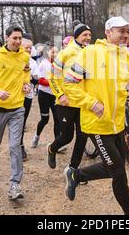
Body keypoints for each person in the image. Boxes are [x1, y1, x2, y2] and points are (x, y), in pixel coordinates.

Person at [62, 16, 129, 215]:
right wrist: (91, 103)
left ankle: (76, 175)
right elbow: (69, 84)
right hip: (96, 123)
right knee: (118, 171)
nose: (126, 35)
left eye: (128, 31)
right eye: (121, 31)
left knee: (113, 168)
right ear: (108, 32)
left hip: (118, 124)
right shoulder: (89, 53)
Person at [0, 26, 31, 200]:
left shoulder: (25, 56)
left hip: (18, 107)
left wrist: (26, 84)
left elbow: (27, 73)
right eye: (14, 38)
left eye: (20, 38)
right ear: (7, 38)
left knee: (14, 146)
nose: (18, 41)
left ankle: (15, 185)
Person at [47, 23, 92, 169]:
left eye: (89, 35)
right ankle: (52, 149)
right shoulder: (65, 53)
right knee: (67, 137)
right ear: (76, 36)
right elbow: (53, 77)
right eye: (85, 34)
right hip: (66, 102)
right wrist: (60, 95)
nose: (88, 38)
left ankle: (73, 170)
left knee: (82, 137)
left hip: (84, 102)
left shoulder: (91, 53)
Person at [31, 45, 60, 148]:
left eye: (56, 52)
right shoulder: (43, 64)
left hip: (55, 95)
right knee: (45, 119)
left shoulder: (59, 65)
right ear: (48, 52)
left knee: (58, 119)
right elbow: (40, 80)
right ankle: (36, 137)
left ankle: (57, 144)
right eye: (52, 52)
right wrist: (53, 82)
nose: (55, 54)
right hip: (44, 95)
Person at [20, 37, 39, 161]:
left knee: (22, 121)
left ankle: (20, 145)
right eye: (26, 47)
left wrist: (29, 81)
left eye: (30, 48)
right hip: (13, 96)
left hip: (27, 95)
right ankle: (15, 145)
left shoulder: (32, 62)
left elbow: (36, 79)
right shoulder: (12, 59)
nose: (28, 49)